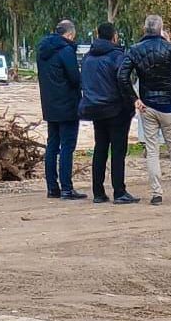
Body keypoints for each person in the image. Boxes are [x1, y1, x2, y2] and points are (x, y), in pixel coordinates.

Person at [117, 15, 171, 206]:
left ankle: (156, 194)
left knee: (152, 150)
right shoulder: (169, 48)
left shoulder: (136, 50)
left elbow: (122, 76)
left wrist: (134, 99)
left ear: (144, 28)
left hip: (147, 105)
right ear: (161, 28)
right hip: (168, 106)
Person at [79, 23, 139, 204]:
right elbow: (125, 80)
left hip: (96, 109)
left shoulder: (88, 58)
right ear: (114, 37)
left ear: (97, 35)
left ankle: (98, 192)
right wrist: (131, 101)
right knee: (118, 151)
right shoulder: (117, 56)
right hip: (116, 109)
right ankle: (119, 191)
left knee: (100, 149)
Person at [36, 19, 84, 200]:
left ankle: (52, 187)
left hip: (50, 105)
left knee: (52, 146)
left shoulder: (42, 50)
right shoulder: (66, 50)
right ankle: (67, 188)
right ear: (69, 34)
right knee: (67, 147)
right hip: (68, 105)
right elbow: (75, 78)